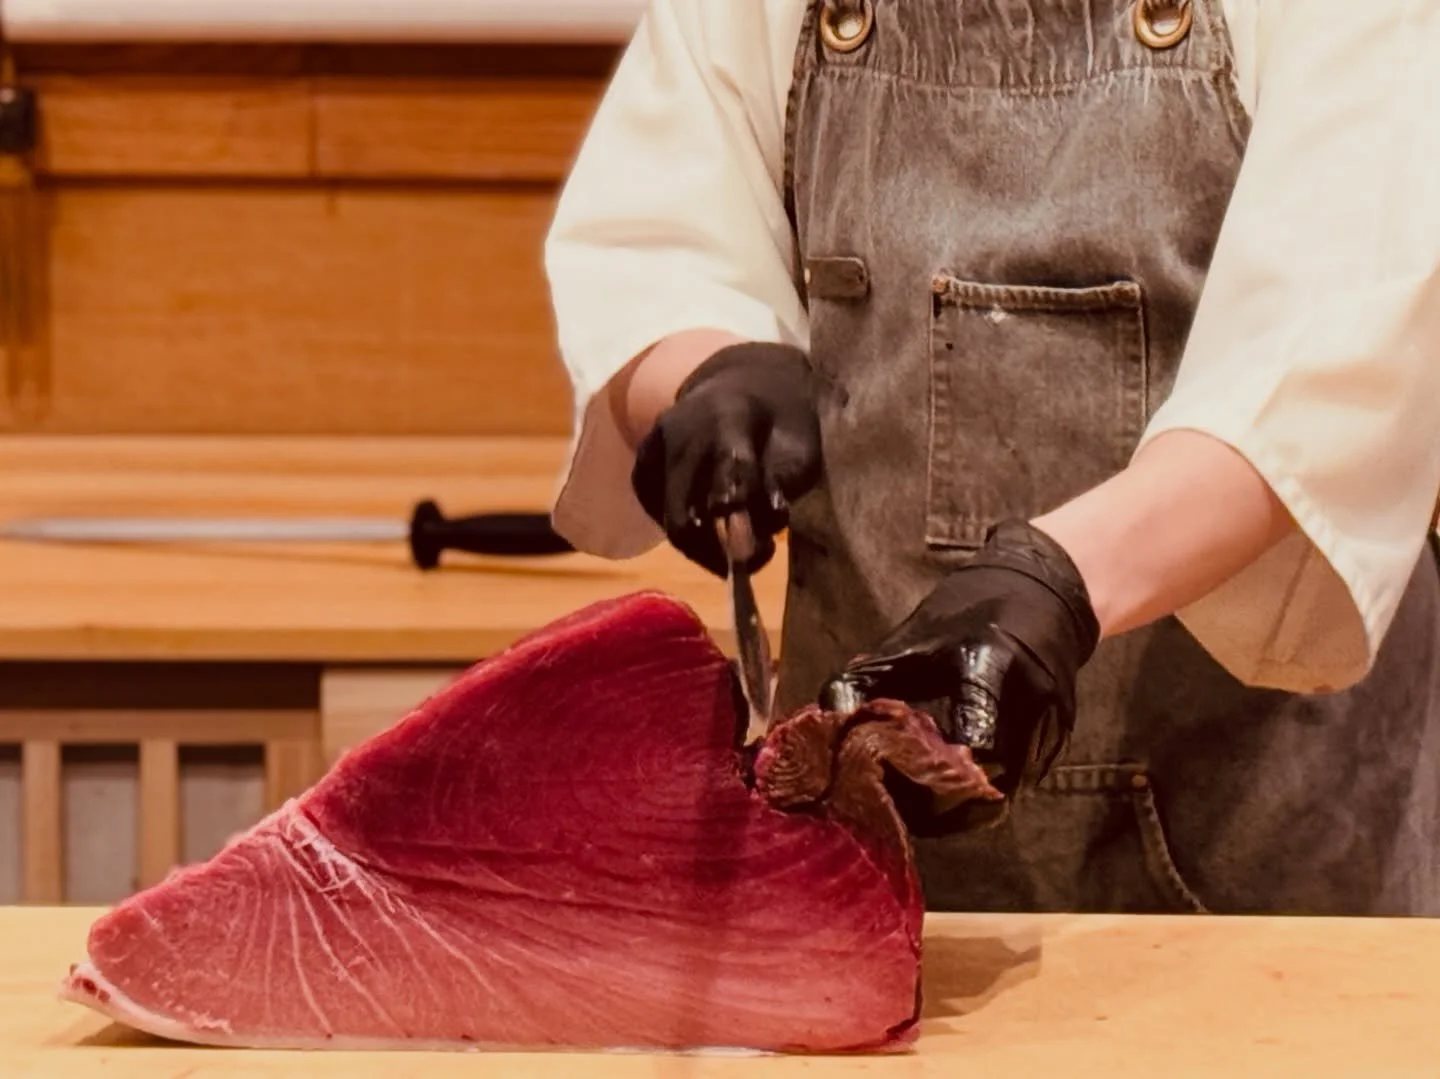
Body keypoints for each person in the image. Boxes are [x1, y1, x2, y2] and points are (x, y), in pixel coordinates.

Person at [541, 0, 1440, 916]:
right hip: (872, 841)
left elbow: (1333, 358)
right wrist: (709, 369)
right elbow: (659, 236)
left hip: (1260, 839)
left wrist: (1058, 582)